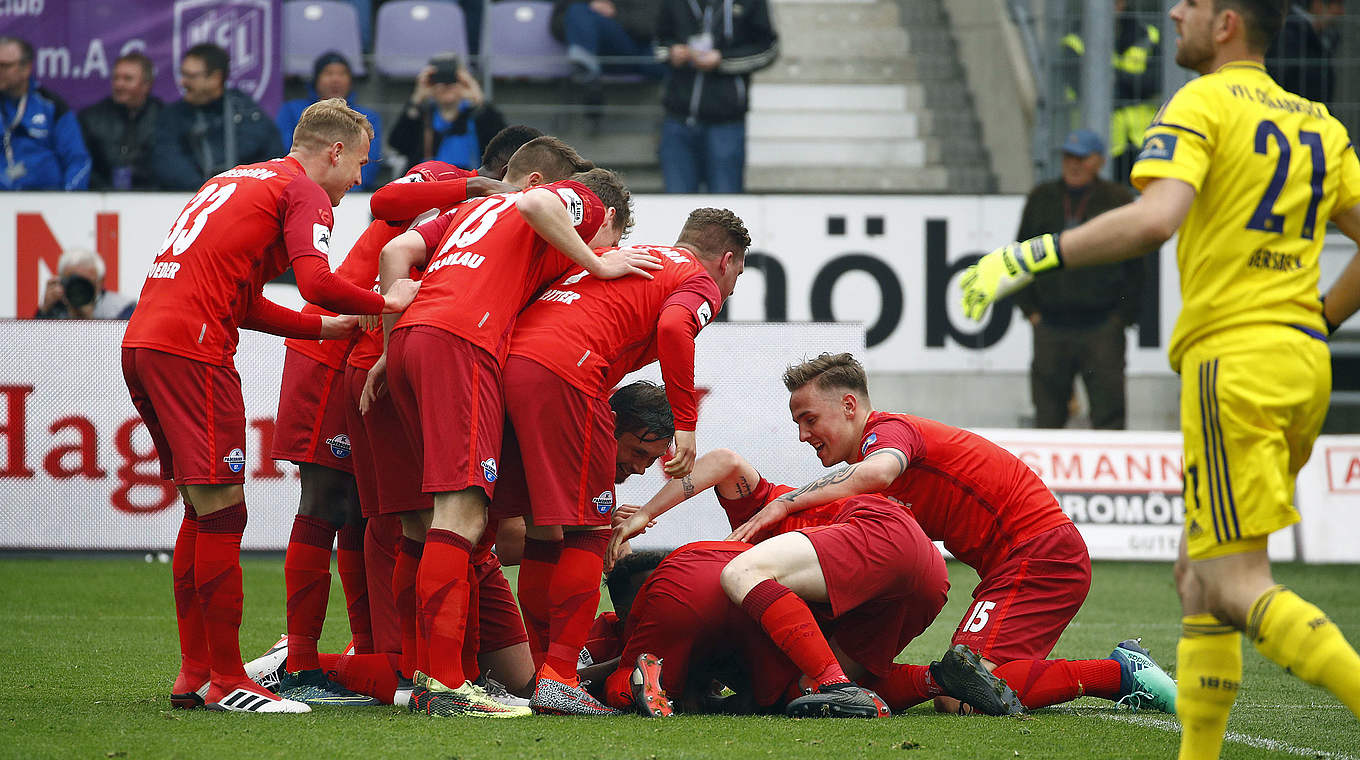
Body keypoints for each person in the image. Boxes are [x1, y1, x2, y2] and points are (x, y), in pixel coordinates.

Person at [958, 0, 1360, 755]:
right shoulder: (1320, 122)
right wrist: (1323, 319)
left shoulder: (1203, 100)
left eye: (1195, 4)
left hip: (1232, 361)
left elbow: (1154, 219)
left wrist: (1031, 255)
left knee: (1236, 582)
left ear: (1230, 21)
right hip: (1300, 361)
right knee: (1198, 579)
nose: (1175, 12)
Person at [120, 98, 420, 714]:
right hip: (196, 352)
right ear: (334, 152)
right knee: (226, 510)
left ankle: (196, 673)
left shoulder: (234, 178)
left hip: (145, 343)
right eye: (359, 163)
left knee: (201, 509)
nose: (359, 180)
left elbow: (246, 299)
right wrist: (391, 302)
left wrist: (323, 327)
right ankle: (230, 680)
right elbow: (315, 280)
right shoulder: (303, 190)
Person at [260, 127, 565, 709]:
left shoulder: (494, 229)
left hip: (379, 348)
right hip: (338, 347)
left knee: (377, 513)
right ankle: (300, 660)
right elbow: (383, 204)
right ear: (523, 181)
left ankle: (371, 655)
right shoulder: (445, 184)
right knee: (333, 504)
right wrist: (472, 186)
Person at [722, 353, 1176, 716]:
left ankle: (1121, 675)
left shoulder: (887, 434)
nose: (802, 435)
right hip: (1013, 565)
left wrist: (783, 502)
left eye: (808, 419)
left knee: (962, 694)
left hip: (1040, 555)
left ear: (848, 406)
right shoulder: (861, 467)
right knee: (956, 689)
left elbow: (878, 473)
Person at [367, 158, 660, 717]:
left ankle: (428, 674)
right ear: (610, 217)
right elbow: (535, 204)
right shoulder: (581, 202)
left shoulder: (476, 206)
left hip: (410, 338)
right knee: (464, 516)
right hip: (463, 341)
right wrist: (599, 261)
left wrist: (388, 347)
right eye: (614, 237)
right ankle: (445, 683)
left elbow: (394, 254)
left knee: (428, 521)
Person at [494, 206, 748, 715]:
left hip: (508, 363)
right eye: (737, 274)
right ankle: (560, 675)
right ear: (726, 259)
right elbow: (677, 329)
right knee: (590, 531)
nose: (733, 286)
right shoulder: (697, 281)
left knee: (544, 529)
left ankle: (527, 666)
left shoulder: (624, 257)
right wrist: (685, 423)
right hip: (568, 372)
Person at [1012, 128, 1141, 430]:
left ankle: (1111, 477)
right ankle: (1042, 479)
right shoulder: (1042, 198)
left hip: (1101, 325)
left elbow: (1137, 268)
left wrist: (1122, 317)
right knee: (1047, 415)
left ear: (1099, 161)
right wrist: (1031, 312)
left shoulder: (1117, 199)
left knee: (1109, 414)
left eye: (1082, 158)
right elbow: (1020, 255)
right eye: (1069, 157)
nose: (1074, 164)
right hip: (1051, 325)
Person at [654, 0, 778, 193]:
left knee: (725, 207)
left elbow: (768, 50)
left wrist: (722, 60)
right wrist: (673, 53)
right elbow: (657, 43)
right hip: (678, 118)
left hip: (726, 122)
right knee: (676, 205)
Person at [154, 43, 284, 191]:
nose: (182, 82)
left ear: (215, 78)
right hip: (189, 199)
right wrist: (208, 191)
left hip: (243, 201)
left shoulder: (248, 114)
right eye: (183, 74)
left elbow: (272, 163)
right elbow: (168, 162)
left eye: (191, 76)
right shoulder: (172, 116)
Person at [1060, 1, 1162, 183]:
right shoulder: (1074, 42)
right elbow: (1083, 88)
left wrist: (1111, 77)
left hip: (1143, 141)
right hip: (1095, 145)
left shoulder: (1148, 35)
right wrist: (1134, 85)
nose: (1114, 4)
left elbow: (1155, 83)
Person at [276, 52, 382, 191]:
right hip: (299, 188)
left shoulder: (366, 117)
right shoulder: (291, 110)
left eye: (342, 74)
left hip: (350, 194)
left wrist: (342, 191)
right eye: (328, 73)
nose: (335, 79)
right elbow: (286, 154)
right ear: (316, 79)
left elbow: (367, 165)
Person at [389, 54, 508, 175]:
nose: (446, 85)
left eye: (453, 79)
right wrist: (416, 99)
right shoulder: (423, 115)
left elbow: (502, 145)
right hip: (429, 184)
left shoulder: (478, 115)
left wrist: (479, 99)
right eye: (439, 80)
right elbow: (398, 144)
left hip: (472, 183)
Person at [0, 36, 90, 191]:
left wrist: (68, 200)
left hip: (47, 200)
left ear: (26, 68)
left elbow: (78, 160)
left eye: (4, 66)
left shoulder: (51, 106)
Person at [551, 0, 663, 107]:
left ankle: (588, 75)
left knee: (580, 12)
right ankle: (588, 74)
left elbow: (648, 27)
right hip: (588, 49)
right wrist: (587, 18)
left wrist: (614, 14)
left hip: (630, 51)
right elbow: (556, 26)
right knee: (577, 10)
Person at [78, 51, 162, 191]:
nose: (119, 84)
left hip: (152, 199)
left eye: (127, 79)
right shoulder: (91, 118)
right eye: (116, 78)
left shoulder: (163, 117)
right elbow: (83, 165)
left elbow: (165, 167)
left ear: (146, 84)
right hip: (100, 199)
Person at [1265, 0, 1343, 104]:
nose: (1341, 12)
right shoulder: (1290, 36)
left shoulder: (1320, 37)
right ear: (1318, 4)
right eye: (1337, 4)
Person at [34, 248, 136, 319]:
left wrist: (88, 318)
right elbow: (35, 344)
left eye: (85, 282)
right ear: (61, 281)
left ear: (100, 281)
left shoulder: (122, 309)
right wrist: (44, 312)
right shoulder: (55, 308)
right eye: (73, 281)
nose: (79, 288)